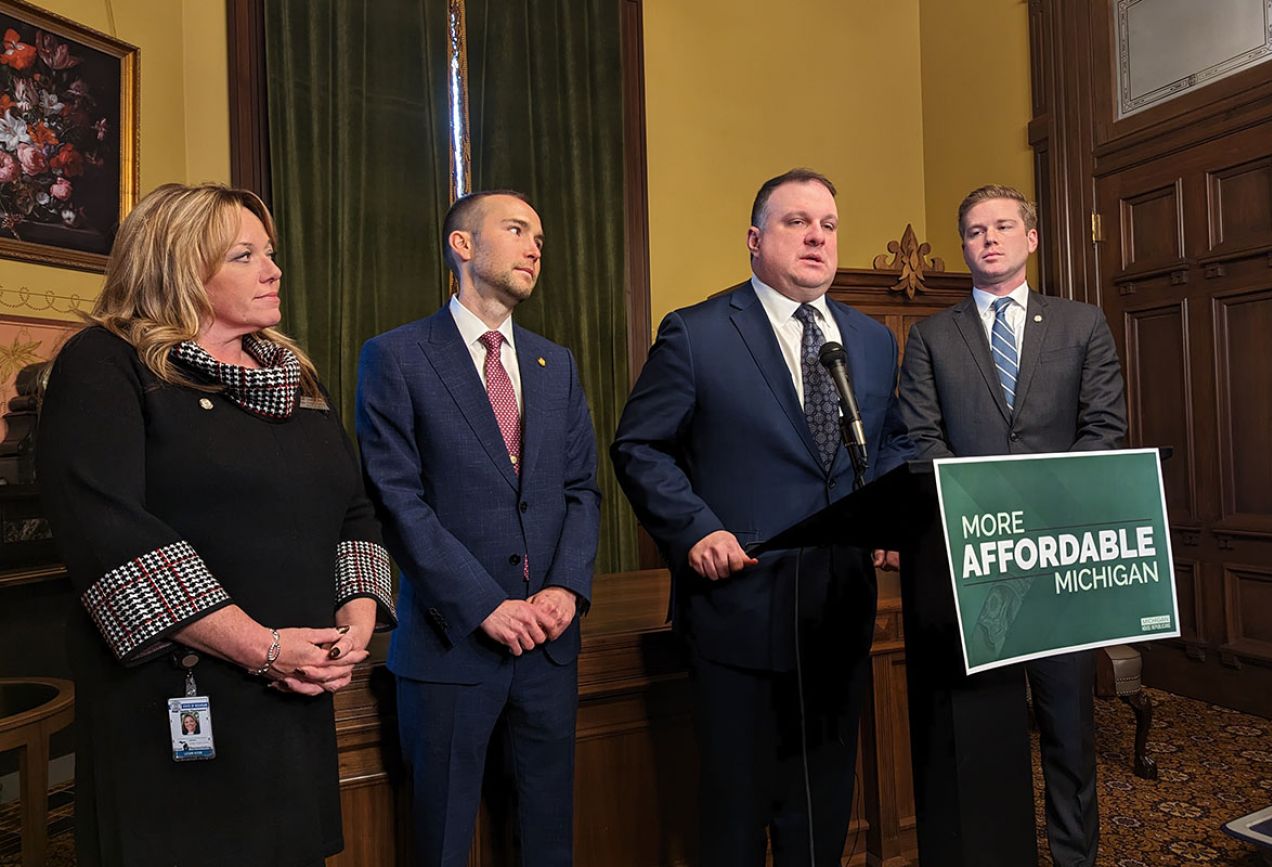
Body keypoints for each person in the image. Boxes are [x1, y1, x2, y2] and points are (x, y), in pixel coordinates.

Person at [37, 183, 396, 867]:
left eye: (270, 252)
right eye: (244, 254)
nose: (273, 269)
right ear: (177, 267)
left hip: (295, 694)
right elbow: (108, 533)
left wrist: (354, 621)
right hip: (177, 700)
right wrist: (261, 646)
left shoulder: (292, 376)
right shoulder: (105, 361)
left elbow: (353, 508)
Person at [610, 168, 913, 866]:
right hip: (738, 611)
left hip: (837, 612)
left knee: (822, 811)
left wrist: (891, 515)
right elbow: (640, 446)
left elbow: (893, 439)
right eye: (795, 221)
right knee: (735, 820)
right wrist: (695, 529)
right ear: (754, 239)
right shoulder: (698, 332)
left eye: (828, 225)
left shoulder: (868, 339)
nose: (816, 236)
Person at [355, 190, 600, 866]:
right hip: (449, 646)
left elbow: (581, 489)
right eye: (517, 230)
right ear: (462, 246)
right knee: (441, 844)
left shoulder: (558, 365)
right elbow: (396, 499)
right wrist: (483, 604)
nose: (534, 248)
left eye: (540, 239)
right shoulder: (396, 356)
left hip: (549, 648)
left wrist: (565, 589)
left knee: (547, 842)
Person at [897, 183, 1126, 867]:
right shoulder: (932, 337)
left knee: (1069, 732)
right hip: (976, 565)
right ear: (964, 246)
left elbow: (1104, 432)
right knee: (987, 735)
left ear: (1030, 238)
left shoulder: (1082, 324)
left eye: (1001, 226)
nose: (987, 239)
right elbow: (922, 440)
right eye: (973, 230)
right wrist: (986, 513)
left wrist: (1036, 505)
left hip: (1060, 562)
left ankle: (1074, 856)